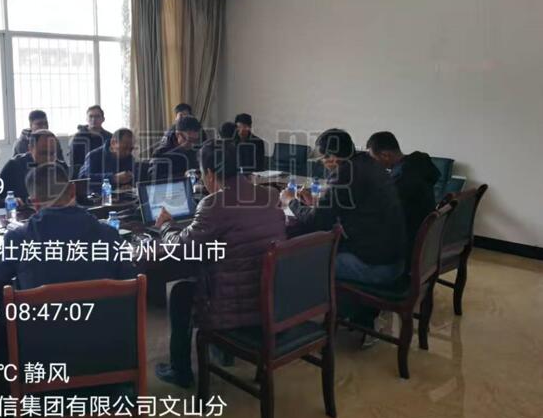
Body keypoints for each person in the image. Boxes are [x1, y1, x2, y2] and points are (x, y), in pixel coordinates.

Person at [0, 162, 135, 418]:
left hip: (42, 363)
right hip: (106, 358)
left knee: (11, 324)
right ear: (72, 191)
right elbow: (131, 282)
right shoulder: (108, 235)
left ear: (33, 203)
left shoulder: (19, 238)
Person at [152, 139, 286, 388]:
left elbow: (180, 248)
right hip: (270, 298)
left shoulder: (213, 204)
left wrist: (167, 225)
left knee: (180, 291)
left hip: (233, 305)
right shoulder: (269, 194)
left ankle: (180, 371)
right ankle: (221, 351)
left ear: (210, 174)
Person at [280, 128, 406, 285]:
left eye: (322, 159)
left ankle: (315, 300)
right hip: (393, 259)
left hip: (375, 266)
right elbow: (349, 208)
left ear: (332, 158)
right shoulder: (367, 164)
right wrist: (316, 204)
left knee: (295, 261)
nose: (322, 163)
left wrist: (290, 200)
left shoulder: (345, 174)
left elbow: (316, 221)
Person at [366, 131, 440, 257]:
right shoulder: (417, 165)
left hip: (405, 246)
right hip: (423, 241)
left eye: (373, 159)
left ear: (385, 155)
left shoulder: (403, 178)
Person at [0, 130, 67, 208]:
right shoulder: (14, 166)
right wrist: (11, 201)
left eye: (52, 153)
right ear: (30, 149)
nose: (49, 159)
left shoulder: (60, 167)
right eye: (43, 153)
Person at [149, 115, 202, 180]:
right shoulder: (161, 153)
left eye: (195, 140)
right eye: (189, 140)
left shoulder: (195, 149)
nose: (192, 144)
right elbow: (154, 178)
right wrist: (183, 176)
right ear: (177, 135)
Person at [68, 105, 112, 175]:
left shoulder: (109, 137)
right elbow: (73, 162)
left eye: (97, 116)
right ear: (86, 119)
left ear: (103, 119)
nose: (93, 119)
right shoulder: (78, 138)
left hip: (105, 174)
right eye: (91, 116)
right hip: (84, 174)